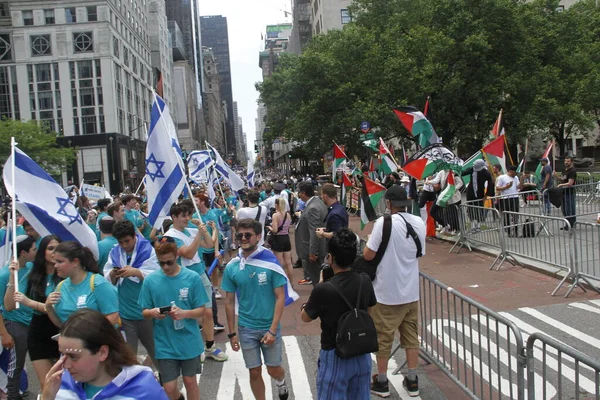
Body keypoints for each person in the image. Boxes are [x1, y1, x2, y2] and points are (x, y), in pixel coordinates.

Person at [363, 186, 426, 398]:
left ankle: (382, 382)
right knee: (411, 338)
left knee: (383, 338)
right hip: (411, 292)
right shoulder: (419, 222)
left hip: (386, 292)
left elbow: (368, 255)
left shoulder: (384, 222)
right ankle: (412, 379)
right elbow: (420, 252)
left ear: (389, 203)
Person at [222, 219, 293, 400]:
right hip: (246, 328)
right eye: (240, 235)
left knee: (273, 369)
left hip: (269, 326)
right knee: (254, 372)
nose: (243, 238)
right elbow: (229, 302)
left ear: (259, 236)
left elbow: (280, 297)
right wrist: (232, 333)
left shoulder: (270, 261)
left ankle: (281, 381)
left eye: (248, 235)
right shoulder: (232, 266)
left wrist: (272, 329)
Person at [301, 229, 376, 399]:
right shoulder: (364, 280)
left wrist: (320, 283)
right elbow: (368, 312)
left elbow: (305, 317)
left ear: (330, 257)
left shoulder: (324, 289)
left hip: (335, 354)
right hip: (361, 352)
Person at [41, 309, 168, 400]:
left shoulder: (144, 389)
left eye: (73, 356)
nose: (66, 365)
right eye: (62, 355)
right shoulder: (58, 385)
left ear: (102, 353)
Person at [139, 237, 208, 400]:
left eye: (169, 262)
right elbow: (144, 311)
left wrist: (184, 313)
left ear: (177, 255)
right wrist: (153, 312)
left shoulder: (192, 278)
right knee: (169, 387)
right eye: (161, 263)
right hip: (164, 341)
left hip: (189, 340)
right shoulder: (150, 280)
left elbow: (201, 310)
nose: (165, 267)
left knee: (190, 381)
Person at [164, 203, 228, 362]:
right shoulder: (170, 236)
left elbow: (208, 245)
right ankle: (193, 347)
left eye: (189, 215)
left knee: (207, 312)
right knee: (187, 314)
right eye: (183, 216)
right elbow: (188, 253)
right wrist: (199, 233)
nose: (187, 219)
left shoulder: (191, 230)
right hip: (183, 277)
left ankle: (210, 346)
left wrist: (204, 230)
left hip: (200, 274)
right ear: (174, 217)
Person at [7, 235, 62, 391]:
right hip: (38, 332)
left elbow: (57, 309)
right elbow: (9, 305)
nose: (55, 252)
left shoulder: (66, 276)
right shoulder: (33, 274)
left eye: (58, 248)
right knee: (47, 386)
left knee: (66, 385)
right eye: (51, 248)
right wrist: (12, 276)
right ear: (42, 252)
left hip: (62, 331)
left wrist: (30, 303)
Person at [103, 220, 160, 366]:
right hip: (126, 314)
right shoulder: (114, 252)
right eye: (120, 242)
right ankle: (133, 386)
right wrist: (114, 274)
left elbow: (156, 276)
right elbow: (107, 274)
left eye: (127, 241)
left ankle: (165, 386)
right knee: (128, 357)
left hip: (146, 312)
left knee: (157, 354)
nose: (124, 245)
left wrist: (137, 272)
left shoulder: (148, 250)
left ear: (134, 236)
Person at [45, 241, 120, 328]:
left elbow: (113, 316)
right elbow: (62, 324)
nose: (55, 266)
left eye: (60, 262)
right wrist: (49, 308)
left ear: (75, 262)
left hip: (97, 339)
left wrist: (87, 334)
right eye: (55, 262)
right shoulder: (61, 286)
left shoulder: (98, 283)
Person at [0, 236, 36, 400]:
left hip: (30, 321)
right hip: (14, 324)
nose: (36, 252)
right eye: (34, 249)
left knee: (24, 362)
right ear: (23, 252)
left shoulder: (30, 267)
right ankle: (12, 394)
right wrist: (4, 334)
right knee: (16, 364)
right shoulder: (4, 275)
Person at [294, 182, 327, 286]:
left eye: (299, 192)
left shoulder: (312, 207)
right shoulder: (317, 202)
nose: (298, 195)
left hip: (312, 250)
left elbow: (314, 231)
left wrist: (313, 252)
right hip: (315, 248)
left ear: (303, 193)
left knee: (317, 279)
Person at [267, 197, 294, 283]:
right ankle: (291, 282)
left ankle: (281, 282)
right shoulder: (288, 215)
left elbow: (275, 230)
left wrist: (269, 228)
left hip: (278, 239)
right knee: (288, 263)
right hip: (286, 238)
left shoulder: (275, 215)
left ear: (277, 205)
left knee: (279, 262)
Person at [464, 159, 495, 230]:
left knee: (479, 208)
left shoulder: (486, 173)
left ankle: (478, 224)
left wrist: (486, 195)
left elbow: (491, 184)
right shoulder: (472, 169)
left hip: (480, 192)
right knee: (470, 208)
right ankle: (472, 224)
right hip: (471, 191)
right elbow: (463, 172)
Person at [496, 165, 522, 237]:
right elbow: (497, 188)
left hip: (515, 197)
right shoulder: (502, 177)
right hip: (505, 198)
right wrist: (506, 187)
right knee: (506, 214)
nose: (515, 174)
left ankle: (516, 231)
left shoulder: (516, 178)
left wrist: (522, 180)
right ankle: (508, 231)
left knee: (515, 215)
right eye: (515, 173)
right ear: (511, 171)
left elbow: (518, 187)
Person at [556, 155, 577, 230]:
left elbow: (570, 183)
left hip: (569, 193)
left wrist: (561, 185)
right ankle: (567, 224)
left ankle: (571, 224)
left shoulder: (572, 171)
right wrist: (557, 176)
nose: (566, 162)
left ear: (571, 162)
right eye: (565, 161)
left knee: (570, 209)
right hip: (563, 193)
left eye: (568, 161)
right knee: (564, 210)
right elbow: (563, 179)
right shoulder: (565, 170)